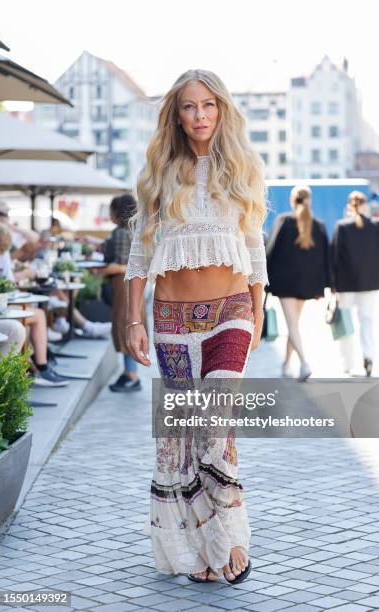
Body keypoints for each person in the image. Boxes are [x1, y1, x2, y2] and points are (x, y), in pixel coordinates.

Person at [124, 69, 268, 583]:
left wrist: (258, 309)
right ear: (177, 114)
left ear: (222, 109)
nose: (200, 115)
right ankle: (202, 552)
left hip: (230, 312)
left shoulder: (243, 167)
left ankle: (229, 540)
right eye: (190, 106)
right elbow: (140, 254)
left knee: (214, 428)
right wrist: (133, 318)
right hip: (170, 320)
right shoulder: (160, 171)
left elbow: (254, 247)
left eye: (209, 105)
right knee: (180, 436)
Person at [265, 185, 330, 381]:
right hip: (307, 284)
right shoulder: (318, 225)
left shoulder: (283, 221)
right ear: (309, 200)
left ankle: (303, 363)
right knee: (294, 325)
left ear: (292, 201)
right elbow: (325, 257)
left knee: (292, 325)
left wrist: (265, 281)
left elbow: (270, 251)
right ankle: (286, 364)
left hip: (285, 283)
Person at [331, 191, 379, 376]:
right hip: (370, 283)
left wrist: (332, 285)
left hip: (346, 284)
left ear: (348, 206)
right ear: (365, 205)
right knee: (367, 321)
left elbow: (334, 256)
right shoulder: (377, 226)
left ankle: (347, 362)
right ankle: (368, 357)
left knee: (346, 322)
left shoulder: (342, 226)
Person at [0, 221, 69, 387]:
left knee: (35, 316)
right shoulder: (7, 251)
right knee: (33, 318)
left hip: (2, 304)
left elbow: (8, 282)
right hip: (1, 308)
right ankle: (35, 369)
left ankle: (37, 368)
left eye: (1, 249)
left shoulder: (4, 254)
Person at [100, 194, 143, 392]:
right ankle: (129, 373)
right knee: (127, 326)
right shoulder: (134, 231)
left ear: (118, 212)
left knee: (125, 327)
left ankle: (131, 375)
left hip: (122, 286)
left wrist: (102, 269)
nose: (109, 213)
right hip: (131, 287)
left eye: (111, 209)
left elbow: (122, 265)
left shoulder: (120, 233)